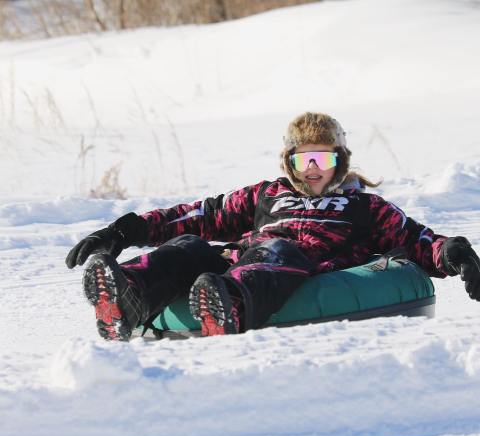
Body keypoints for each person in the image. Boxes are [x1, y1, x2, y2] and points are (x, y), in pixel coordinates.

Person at [66, 112, 480, 341]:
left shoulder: (363, 206)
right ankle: (128, 296)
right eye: (305, 160)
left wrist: (456, 254)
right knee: (192, 245)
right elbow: (199, 213)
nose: (315, 170)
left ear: (342, 160)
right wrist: (123, 232)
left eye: (325, 159)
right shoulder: (267, 194)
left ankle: (229, 303)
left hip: (299, 262)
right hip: (243, 257)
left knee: (277, 252)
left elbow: (415, 239)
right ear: (288, 162)